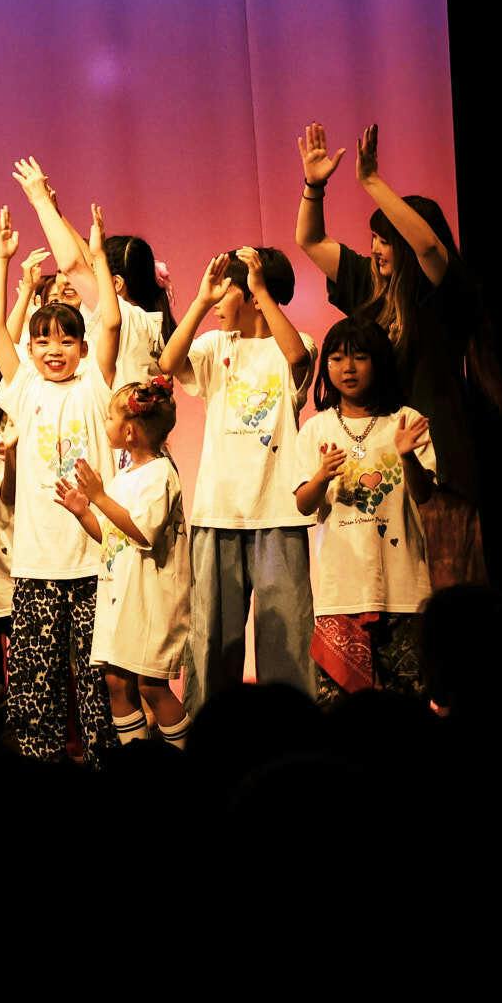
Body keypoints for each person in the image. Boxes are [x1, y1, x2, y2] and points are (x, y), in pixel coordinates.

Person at [294, 120, 488, 590]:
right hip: (381, 463)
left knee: (446, 591)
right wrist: (313, 187)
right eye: (374, 238)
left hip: (437, 462)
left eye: (385, 240)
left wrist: (371, 181)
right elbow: (311, 241)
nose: (375, 249)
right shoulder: (368, 285)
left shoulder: (438, 292)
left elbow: (428, 246)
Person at [0, 188, 123, 763]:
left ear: (82, 348)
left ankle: (104, 763)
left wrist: (98, 258)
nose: (53, 349)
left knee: (96, 680)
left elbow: (110, 319)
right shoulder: (25, 389)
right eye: (42, 340)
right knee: (35, 682)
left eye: (66, 339)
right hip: (36, 563)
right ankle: (37, 769)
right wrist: (1, 261)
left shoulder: (95, 385)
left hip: (93, 560)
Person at [163, 245, 314, 708]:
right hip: (219, 512)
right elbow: (168, 363)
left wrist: (260, 290)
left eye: (227, 289)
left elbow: (297, 357)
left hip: (277, 512)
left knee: (286, 639)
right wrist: (201, 301)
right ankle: (209, 732)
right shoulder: (216, 345)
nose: (219, 300)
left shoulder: (296, 342)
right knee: (212, 638)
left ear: (251, 292)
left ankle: (291, 731)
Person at [289, 319, 436, 701]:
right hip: (341, 589)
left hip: (403, 588)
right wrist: (322, 476)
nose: (348, 368)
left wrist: (408, 457)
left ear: (379, 361)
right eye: (337, 359)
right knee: (339, 712)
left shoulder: (405, 420)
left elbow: (423, 495)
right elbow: (304, 504)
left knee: (408, 705)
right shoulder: (316, 429)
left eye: (359, 357)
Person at [68, 376, 189, 750]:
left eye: (110, 418)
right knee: (116, 682)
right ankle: (135, 766)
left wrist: (99, 497)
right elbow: (112, 536)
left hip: (149, 600)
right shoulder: (125, 476)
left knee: (151, 685)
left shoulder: (160, 474)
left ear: (131, 431)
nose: (105, 424)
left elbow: (143, 532)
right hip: (119, 595)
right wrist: (83, 512)